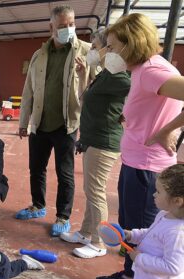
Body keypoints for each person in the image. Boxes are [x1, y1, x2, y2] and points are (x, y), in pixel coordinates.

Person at [95, 13, 184, 279]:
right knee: (131, 226)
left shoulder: (152, 71)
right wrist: (141, 121)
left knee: (146, 238)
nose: (109, 53)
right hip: (135, 162)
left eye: (113, 46)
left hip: (148, 169)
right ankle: (130, 276)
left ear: (132, 44)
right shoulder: (142, 71)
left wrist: (167, 130)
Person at [17, 5, 93, 236]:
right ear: (51, 27)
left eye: (71, 24)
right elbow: (28, 90)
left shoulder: (87, 51)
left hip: (67, 124)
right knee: (36, 169)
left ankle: (63, 215)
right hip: (40, 122)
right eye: (62, 26)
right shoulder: (39, 55)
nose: (68, 29)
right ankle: (38, 206)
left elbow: (96, 88)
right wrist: (24, 121)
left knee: (65, 173)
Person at [60, 28, 131, 258]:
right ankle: (85, 232)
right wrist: (83, 75)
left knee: (96, 192)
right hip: (93, 139)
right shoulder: (104, 74)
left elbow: (138, 90)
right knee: (90, 190)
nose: (92, 50)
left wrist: (128, 113)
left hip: (104, 140)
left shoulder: (118, 76)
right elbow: (84, 98)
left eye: (96, 46)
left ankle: (99, 242)